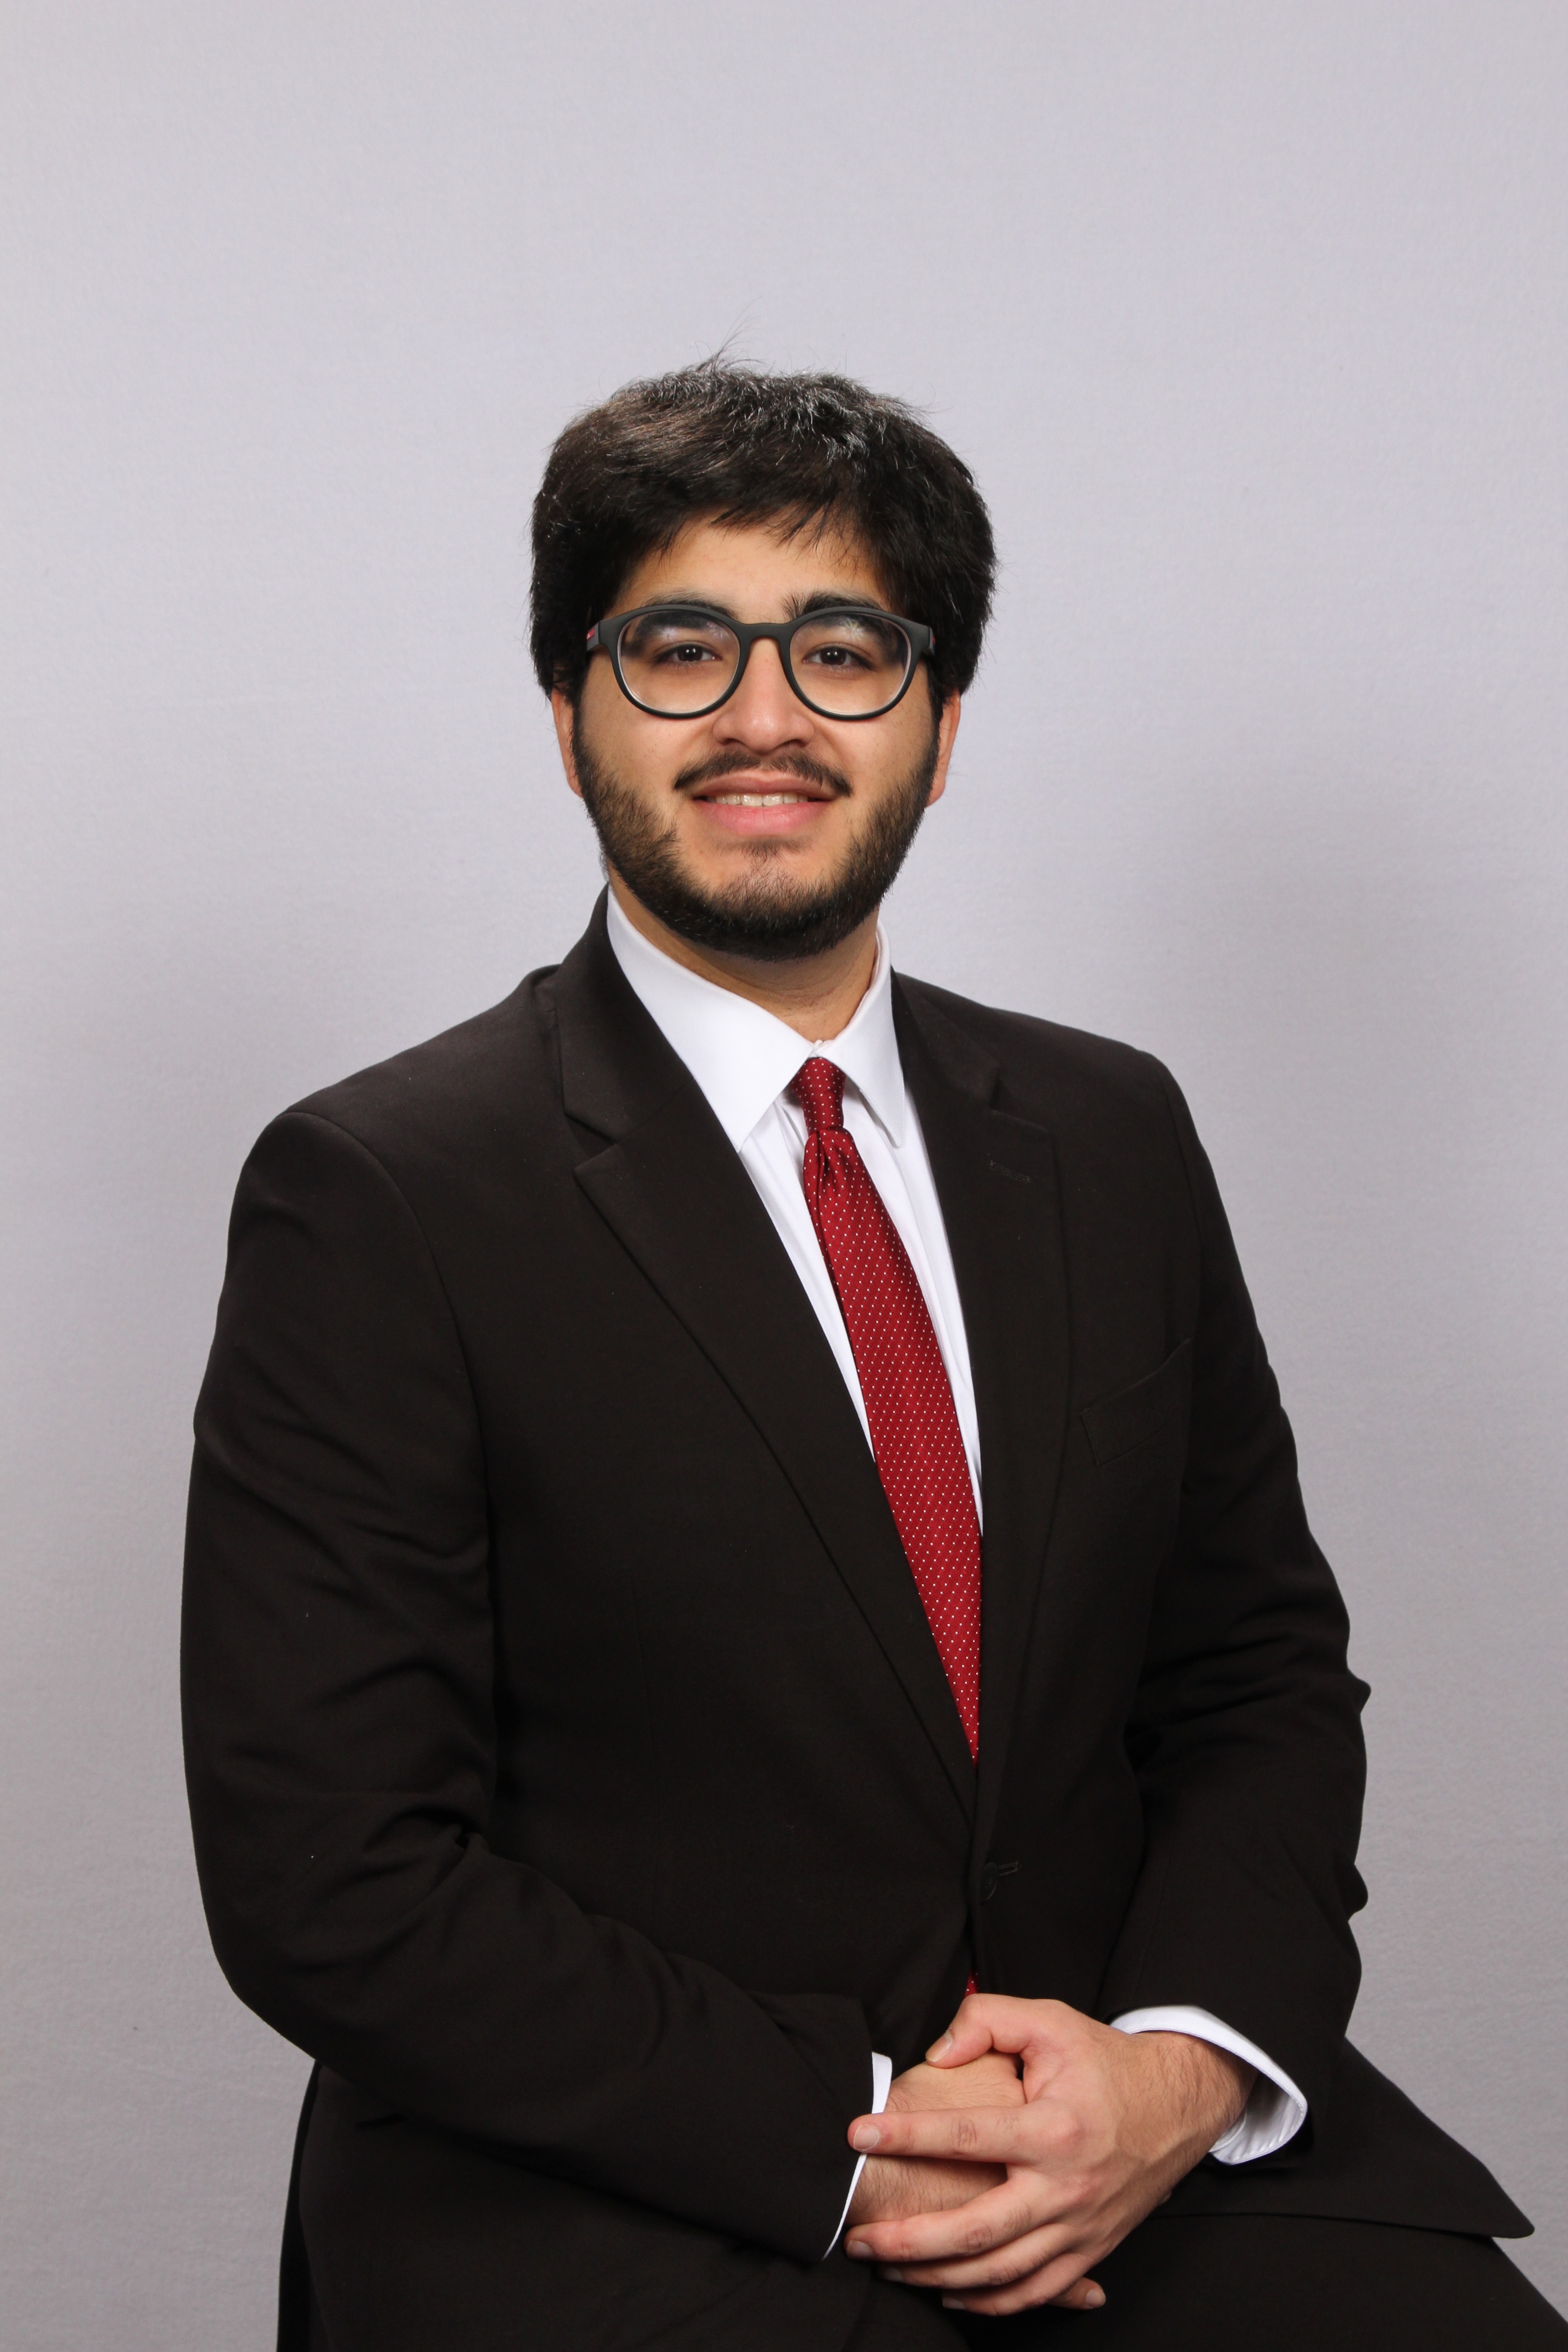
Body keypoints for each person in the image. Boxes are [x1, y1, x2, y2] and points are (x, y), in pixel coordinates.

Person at [181, 363, 1565, 2351]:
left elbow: (1254, 1673)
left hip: (1121, 2140)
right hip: (640, 2197)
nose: (767, 715)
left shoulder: (1109, 1133)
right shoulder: (382, 1192)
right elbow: (334, 1872)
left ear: (940, 724)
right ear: (570, 717)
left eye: (843, 650)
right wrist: (864, 2141)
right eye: (683, 648)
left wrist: (1178, 2071)